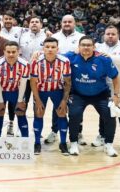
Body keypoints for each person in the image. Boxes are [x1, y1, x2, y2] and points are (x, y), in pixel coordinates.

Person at [65, 35, 120, 157]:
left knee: (110, 116)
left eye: (89, 45)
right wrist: (38, 53)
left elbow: (115, 77)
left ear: (94, 47)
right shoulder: (70, 57)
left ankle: (108, 145)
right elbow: (54, 55)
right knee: (74, 116)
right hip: (78, 94)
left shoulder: (104, 59)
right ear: (78, 47)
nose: (86, 47)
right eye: (83, 45)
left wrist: (116, 95)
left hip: (100, 94)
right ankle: (74, 143)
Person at [46, 14, 85, 145]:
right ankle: (54, 131)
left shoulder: (81, 38)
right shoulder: (54, 37)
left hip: (77, 77)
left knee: (77, 106)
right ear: (61, 23)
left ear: (75, 24)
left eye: (70, 22)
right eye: (65, 22)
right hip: (57, 78)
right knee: (57, 105)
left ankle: (78, 132)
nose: (67, 24)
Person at [30, 37, 71, 155]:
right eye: (47, 47)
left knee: (62, 113)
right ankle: (37, 142)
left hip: (57, 90)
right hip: (41, 90)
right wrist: (37, 100)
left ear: (57, 49)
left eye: (53, 47)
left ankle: (63, 143)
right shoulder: (36, 61)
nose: (50, 49)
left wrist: (64, 100)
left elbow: (68, 82)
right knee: (38, 113)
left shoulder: (65, 61)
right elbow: (33, 82)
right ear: (43, 48)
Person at [95, 25, 120, 151]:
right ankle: (102, 135)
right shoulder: (98, 47)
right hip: (104, 88)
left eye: (113, 34)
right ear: (104, 35)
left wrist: (107, 57)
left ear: (118, 35)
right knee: (104, 113)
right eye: (108, 34)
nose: (110, 36)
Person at [0, 11, 28, 136]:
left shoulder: (20, 30)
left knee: (18, 104)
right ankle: (3, 129)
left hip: (18, 68)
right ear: (2, 19)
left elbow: (35, 29)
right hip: (3, 68)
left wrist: (46, 32)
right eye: (6, 19)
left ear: (14, 20)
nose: (8, 21)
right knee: (0, 107)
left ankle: (13, 124)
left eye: (10, 18)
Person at [0, 41, 29, 137]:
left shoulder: (25, 64)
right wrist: (0, 101)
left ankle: (25, 140)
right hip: (1, 91)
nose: (11, 54)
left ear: (18, 51)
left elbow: (23, 84)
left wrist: (20, 100)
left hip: (16, 91)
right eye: (8, 52)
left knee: (20, 112)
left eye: (14, 52)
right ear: (4, 51)